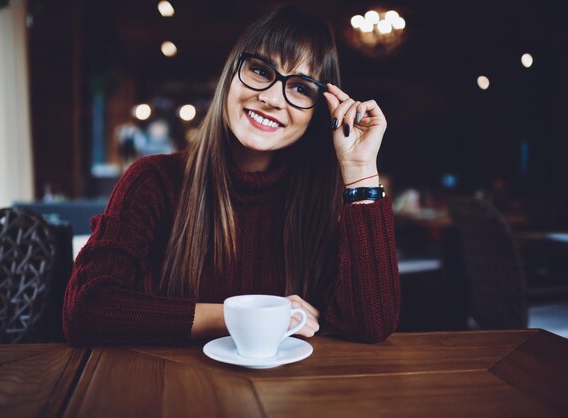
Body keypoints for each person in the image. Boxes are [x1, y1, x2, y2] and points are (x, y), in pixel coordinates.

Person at [63, 6, 400, 345]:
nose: (270, 98)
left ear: (319, 111)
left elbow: (371, 326)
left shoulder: (326, 202)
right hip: (170, 388)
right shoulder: (153, 181)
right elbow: (87, 308)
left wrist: (359, 172)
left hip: (291, 394)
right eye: (259, 70)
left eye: (300, 88)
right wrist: (249, 317)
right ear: (230, 74)